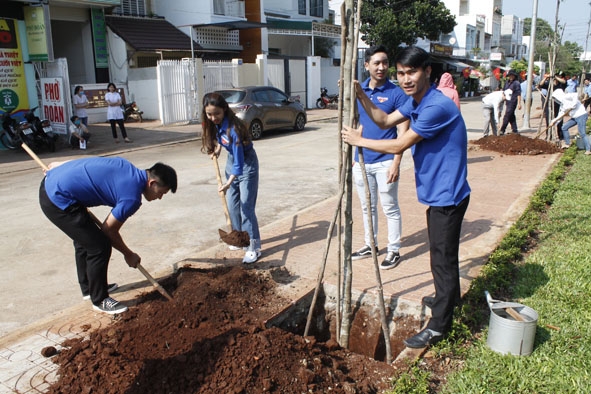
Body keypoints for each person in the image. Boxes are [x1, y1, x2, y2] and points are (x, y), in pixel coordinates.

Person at [341, 46, 471, 349]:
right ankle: (445, 298)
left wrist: (360, 140)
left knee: (442, 260)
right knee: (439, 256)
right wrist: (361, 95)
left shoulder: (435, 106)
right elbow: (385, 121)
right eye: (400, 73)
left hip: (447, 196)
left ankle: (439, 325)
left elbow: (399, 144)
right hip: (438, 192)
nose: (405, 78)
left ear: (427, 71)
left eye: (411, 72)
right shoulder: (418, 101)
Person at [39, 157, 177, 314]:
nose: (160, 197)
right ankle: (100, 300)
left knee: (85, 238)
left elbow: (90, 162)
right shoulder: (131, 198)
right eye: (162, 193)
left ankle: (89, 288)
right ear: (152, 183)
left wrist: (61, 165)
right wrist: (128, 254)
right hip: (57, 199)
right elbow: (109, 230)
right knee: (99, 246)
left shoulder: (124, 164)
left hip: (54, 182)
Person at [351, 45, 410, 270]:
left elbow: (403, 131)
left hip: (386, 161)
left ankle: (393, 249)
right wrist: (356, 157)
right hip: (363, 161)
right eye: (376, 63)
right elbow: (354, 121)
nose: (382, 67)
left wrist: (396, 161)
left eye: (385, 62)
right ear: (366, 65)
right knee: (368, 206)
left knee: (390, 207)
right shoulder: (359, 90)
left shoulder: (396, 93)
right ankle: (371, 244)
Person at [201, 93, 261, 264]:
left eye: (217, 114)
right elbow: (223, 139)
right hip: (231, 162)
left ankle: (253, 246)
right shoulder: (216, 124)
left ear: (224, 110)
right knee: (232, 204)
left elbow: (240, 163)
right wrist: (219, 149)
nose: (213, 117)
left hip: (246, 165)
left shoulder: (235, 128)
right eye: (209, 114)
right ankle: (238, 238)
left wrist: (228, 183)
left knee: (246, 207)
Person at [550, 88, 591, 154]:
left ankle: (588, 150)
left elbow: (575, 94)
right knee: (564, 127)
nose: (556, 100)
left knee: (582, 133)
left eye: (556, 98)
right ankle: (567, 143)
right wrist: (553, 122)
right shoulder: (562, 105)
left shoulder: (566, 96)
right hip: (575, 117)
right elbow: (560, 116)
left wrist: (573, 104)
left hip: (581, 115)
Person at [499, 70, 521, 134]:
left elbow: (518, 94)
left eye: (512, 75)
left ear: (514, 76)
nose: (511, 77)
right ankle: (515, 129)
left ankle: (502, 129)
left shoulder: (516, 83)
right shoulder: (507, 83)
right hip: (507, 101)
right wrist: (503, 96)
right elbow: (503, 90)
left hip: (513, 101)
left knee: (507, 115)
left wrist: (519, 103)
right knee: (511, 116)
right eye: (510, 76)